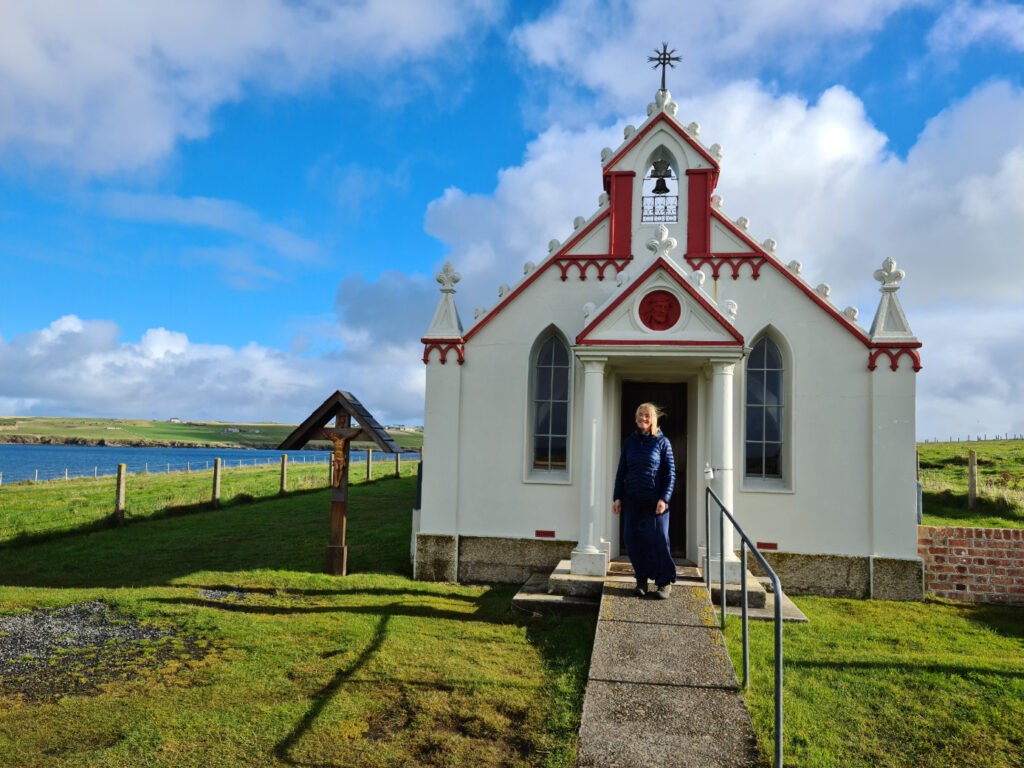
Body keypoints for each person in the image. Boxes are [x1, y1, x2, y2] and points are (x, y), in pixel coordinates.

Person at [612, 402, 677, 598]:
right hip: (633, 500)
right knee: (633, 540)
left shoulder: (662, 442)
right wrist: (617, 497)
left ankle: (664, 582)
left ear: (653, 419)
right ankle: (641, 580)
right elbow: (621, 471)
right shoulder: (629, 443)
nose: (643, 418)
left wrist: (664, 499)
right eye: (640, 415)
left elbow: (670, 474)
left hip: (655, 502)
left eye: (647, 416)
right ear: (635, 418)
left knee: (659, 540)